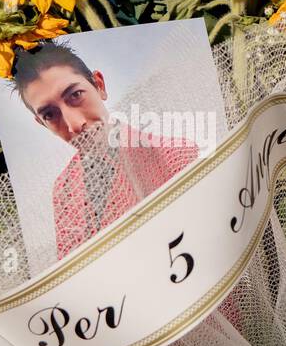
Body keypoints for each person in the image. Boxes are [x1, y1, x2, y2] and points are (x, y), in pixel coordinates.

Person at [12, 42, 197, 259]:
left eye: (75, 95)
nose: (74, 124)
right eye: (50, 115)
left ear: (99, 85)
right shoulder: (62, 191)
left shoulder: (176, 155)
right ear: (41, 123)